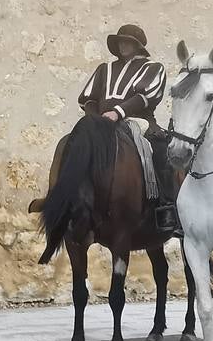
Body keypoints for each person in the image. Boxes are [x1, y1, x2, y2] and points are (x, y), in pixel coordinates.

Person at [75, 24, 180, 236]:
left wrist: (118, 112)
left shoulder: (153, 68)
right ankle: (67, 200)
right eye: (120, 41)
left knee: (161, 152)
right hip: (102, 123)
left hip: (137, 121)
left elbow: (146, 96)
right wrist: (95, 120)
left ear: (137, 46)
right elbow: (88, 98)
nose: (123, 45)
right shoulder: (105, 69)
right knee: (75, 148)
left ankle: (167, 208)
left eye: (128, 42)